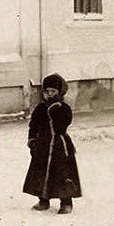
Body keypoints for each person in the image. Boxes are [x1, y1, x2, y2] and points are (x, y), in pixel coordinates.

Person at [22, 73, 82, 214]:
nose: (49, 94)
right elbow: (33, 125)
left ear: (60, 92)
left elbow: (62, 126)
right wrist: (32, 141)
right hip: (42, 146)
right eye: (47, 91)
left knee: (62, 173)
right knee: (41, 172)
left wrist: (55, 109)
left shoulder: (63, 108)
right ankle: (43, 201)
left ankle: (66, 203)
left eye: (53, 91)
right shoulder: (40, 108)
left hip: (60, 146)